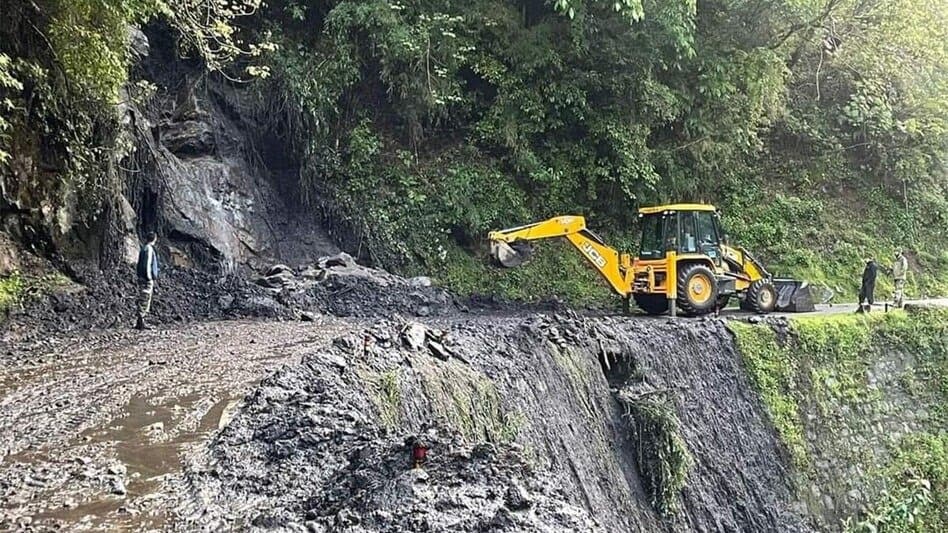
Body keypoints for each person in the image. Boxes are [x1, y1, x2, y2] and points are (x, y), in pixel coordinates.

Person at [135, 232, 160, 330]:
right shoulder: (149, 249)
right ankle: (141, 321)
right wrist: (149, 277)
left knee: (143, 297)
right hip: (146, 278)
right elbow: (147, 264)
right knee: (145, 298)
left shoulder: (144, 248)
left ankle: (140, 321)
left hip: (142, 277)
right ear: (154, 239)